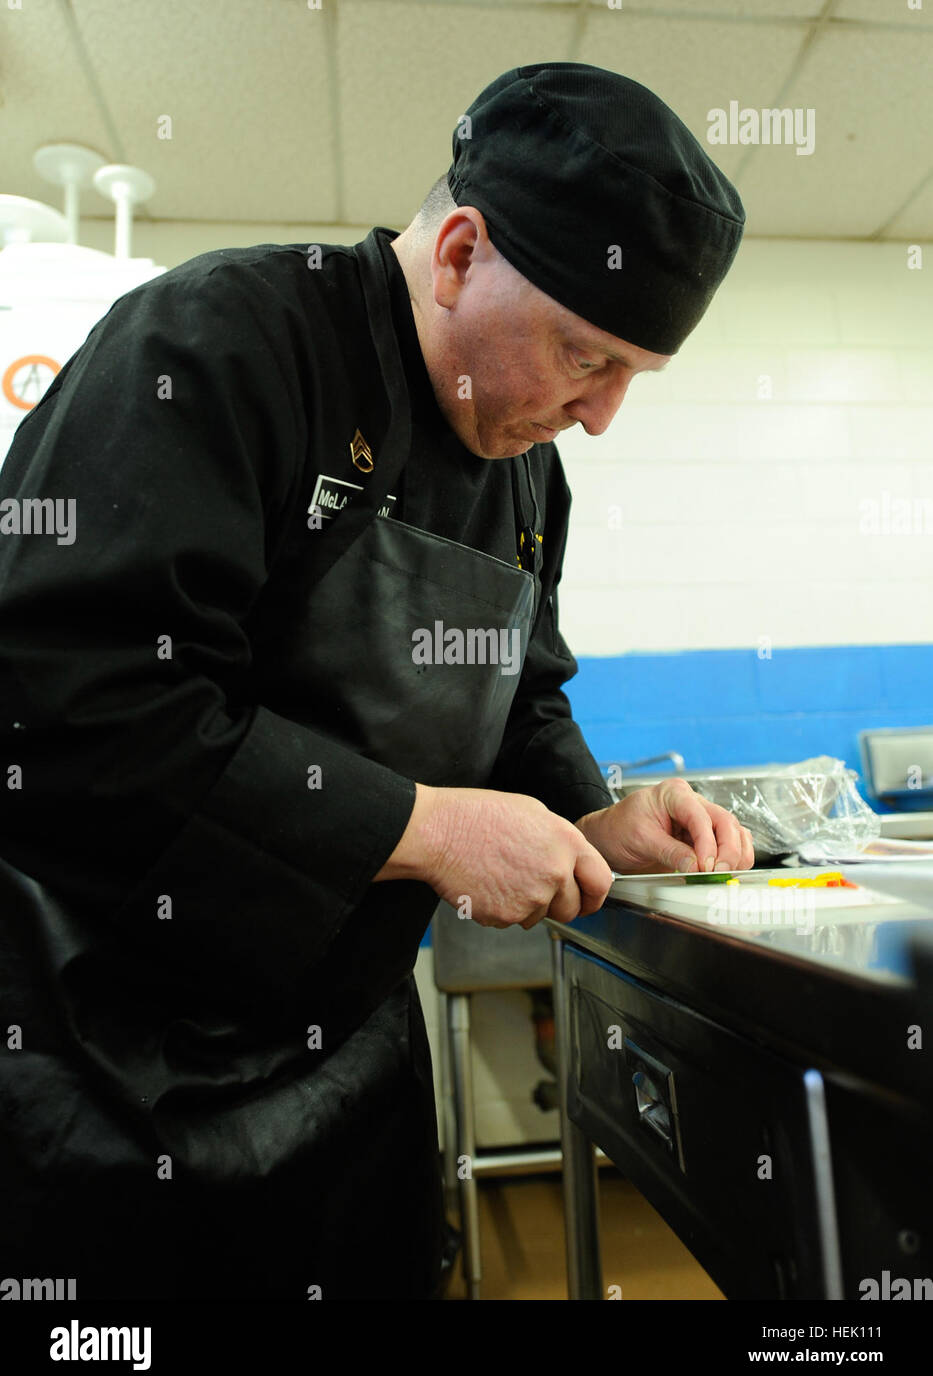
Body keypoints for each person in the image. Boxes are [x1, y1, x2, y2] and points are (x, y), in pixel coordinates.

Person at [0, 62, 752, 1301]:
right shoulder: (216, 346)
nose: (603, 415)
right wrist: (419, 825)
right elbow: (68, 709)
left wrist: (588, 817)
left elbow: (522, 701)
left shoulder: (525, 472)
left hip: (341, 1071)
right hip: (96, 1071)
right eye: (585, 356)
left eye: (633, 377)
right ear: (459, 251)